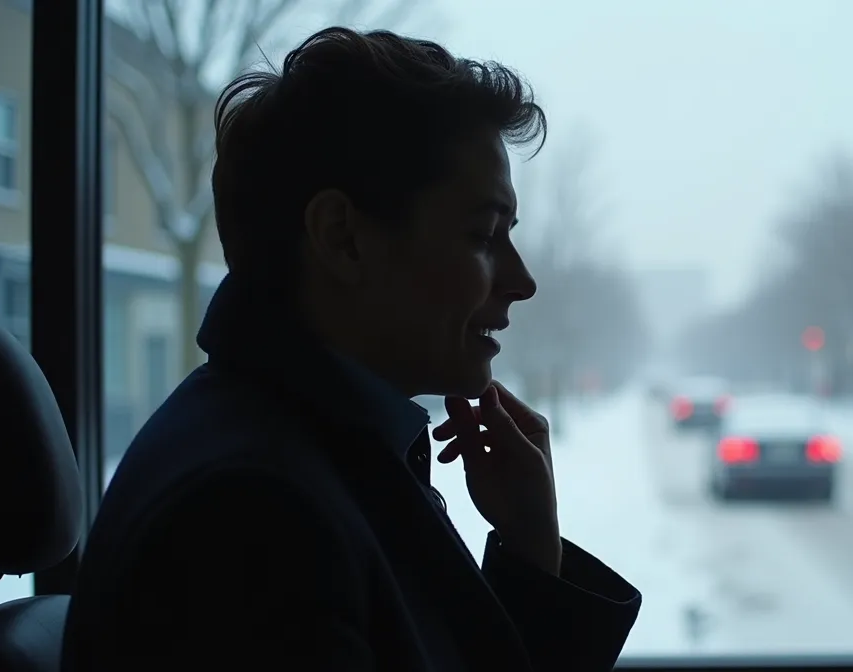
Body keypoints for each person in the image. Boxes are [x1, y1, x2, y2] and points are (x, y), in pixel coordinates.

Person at [61, 26, 641, 671]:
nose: (523, 281)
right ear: (342, 237)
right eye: (483, 234)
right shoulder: (254, 525)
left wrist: (532, 552)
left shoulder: (297, 458)